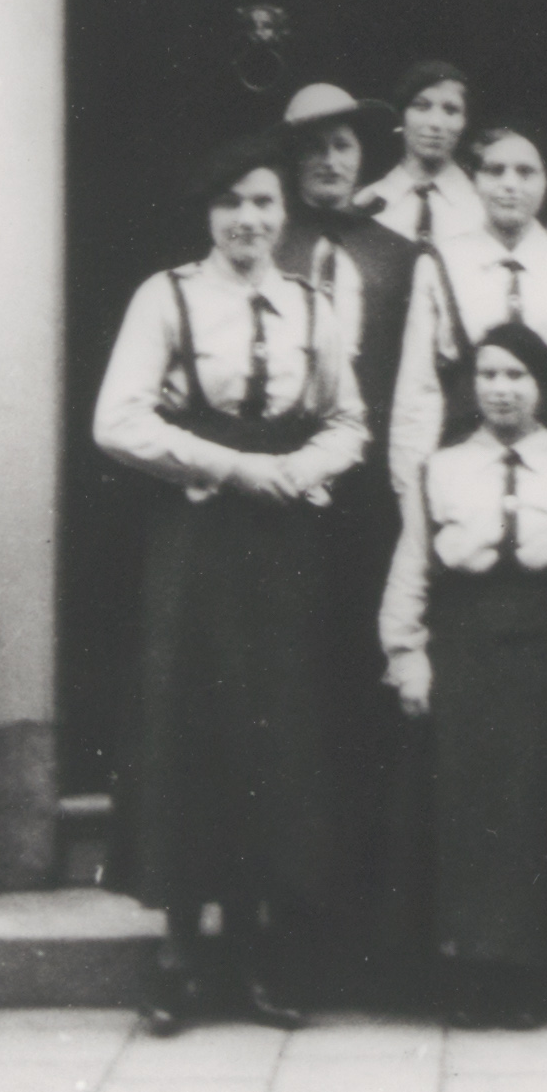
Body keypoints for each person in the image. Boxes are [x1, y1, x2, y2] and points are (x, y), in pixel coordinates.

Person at [94, 136, 368, 1036]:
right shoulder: (167, 297)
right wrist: (229, 466)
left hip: (283, 544)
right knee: (191, 722)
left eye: (262, 203)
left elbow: (347, 419)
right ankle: (181, 955)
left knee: (274, 730)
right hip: (198, 537)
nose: (247, 220)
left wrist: (300, 469)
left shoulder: (311, 305)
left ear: (284, 213)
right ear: (206, 213)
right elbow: (117, 421)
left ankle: (257, 953)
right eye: (230, 204)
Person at [380, 322, 547, 1028]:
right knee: (466, 808)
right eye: (487, 375)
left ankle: (528, 974)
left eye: (516, 375)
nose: (501, 389)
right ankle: (468, 973)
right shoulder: (441, 467)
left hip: (544, 649)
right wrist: (406, 656)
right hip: (464, 648)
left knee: (534, 810)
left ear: (541, 386)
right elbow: (412, 566)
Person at [272, 83, 420, 980]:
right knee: (293, 688)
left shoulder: (399, 255)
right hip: (285, 492)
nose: (329, 162)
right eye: (313, 148)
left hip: (372, 503)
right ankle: (293, 906)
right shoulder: (266, 244)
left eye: (343, 146)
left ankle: (370, 906)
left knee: (368, 680)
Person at [389, 123, 547, 500]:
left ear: (546, 181)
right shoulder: (442, 263)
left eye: (526, 172)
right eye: (495, 171)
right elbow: (418, 391)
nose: (510, 184)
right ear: (475, 181)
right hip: (463, 473)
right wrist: (413, 494)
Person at [356, 58, 484, 247]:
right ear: (402, 117)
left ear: (465, 122)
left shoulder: (483, 203)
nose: (435, 123)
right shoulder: (364, 203)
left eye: (450, 110)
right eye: (421, 107)